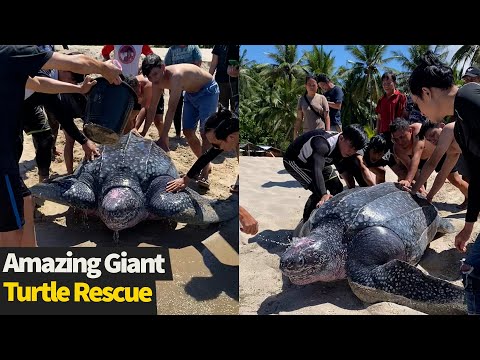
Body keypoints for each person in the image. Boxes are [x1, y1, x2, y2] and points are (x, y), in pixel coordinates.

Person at [0, 45, 122, 248]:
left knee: (26, 200)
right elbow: (74, 62)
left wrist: (78, 89)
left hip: (9, 159)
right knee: (11, 233)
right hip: (2, 163)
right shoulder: (11, 52)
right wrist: (103, 68)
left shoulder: (8, 60)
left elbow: (37, 83)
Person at [408, 51, 480, 314]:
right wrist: (469, 225)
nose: (419, 111)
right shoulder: (459, 120)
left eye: (417, 102)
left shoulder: (472, 100)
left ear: (427, 93)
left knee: (474, 276)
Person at [141, 54, 219, 188]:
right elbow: (152, 108)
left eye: (155, 74)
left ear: (163, 68)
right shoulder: (155, 82)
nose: (154, 79)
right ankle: (205, 162)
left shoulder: (175, 76)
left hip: (208, 91)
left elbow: (171, 109)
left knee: (205, 133)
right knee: (188, 132)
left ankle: (204, 174)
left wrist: (163, 137)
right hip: (190, 93)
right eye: (150, 77)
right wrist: (143, 132)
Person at [283, 124, 368, 222]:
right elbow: (316, 170)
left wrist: (354, 191)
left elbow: (345, 172)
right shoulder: (322, 144)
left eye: (356, 149)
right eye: (351, 146)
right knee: (318, 191)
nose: (352, 151)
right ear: (341, 138)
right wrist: (323, 194)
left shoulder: (344, 148)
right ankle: (306, 221)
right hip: (295, 161)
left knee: (337, 187)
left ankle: (331, 218)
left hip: (319, 160)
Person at [165, 105, 237, 192]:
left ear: (231, 137)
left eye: (216, 145)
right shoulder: (230, 130)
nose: (214, 148)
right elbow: (207, 156)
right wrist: (186, 179)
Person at [409, 120, 469, 208]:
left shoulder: (449, 129)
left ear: (441, 125)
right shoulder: (453, 149)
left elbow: (431, 163)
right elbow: (443, 174)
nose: (433, 140)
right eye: (429, 140)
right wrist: (429, 197)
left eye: (433, 135)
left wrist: (413, 191)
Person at [164, 45, 203, 139]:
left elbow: (198, 63)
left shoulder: (193, 48)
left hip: (190, 84)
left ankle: (190, 131)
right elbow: (167, 67)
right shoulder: (171, 49)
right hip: (175, 85)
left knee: (190, 108)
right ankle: (177, 133)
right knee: (176, 108)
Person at [390, 117, 435, 192]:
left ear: (410, 131)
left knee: (456, 180)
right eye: (396, 139)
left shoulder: (418, 130)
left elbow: (416, 156)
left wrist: (408, 180)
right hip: (418, 162)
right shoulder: (397, 148)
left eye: (402, 137)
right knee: (405, 177)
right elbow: (409, 165)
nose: (400, 142)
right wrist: (420, 188)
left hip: (435, 154)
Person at [375, 71, 408, 147]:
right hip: (383, 134)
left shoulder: (401, 97)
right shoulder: (381, 100)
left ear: (394, 83)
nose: (386, 86)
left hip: (397, 134)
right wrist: (377, 134)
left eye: (389, 83)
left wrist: (400, 133)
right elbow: (379, 118)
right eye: (384, 84)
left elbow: (403, 116)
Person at [294, 75, 330, 139]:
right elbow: (299, 119)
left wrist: (327, 133)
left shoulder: (322, 98)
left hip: (320, 133)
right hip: (306, 133)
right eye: (309, 85)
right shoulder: (301, 100)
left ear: (317, 86)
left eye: (313, 85)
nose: (311, 87)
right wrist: (295, 133)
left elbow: (327, 117)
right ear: (306, 86)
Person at [209, 45, 239, 115]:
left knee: (235, 108)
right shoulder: (218, 46)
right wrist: (208, 79)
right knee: (222, 108)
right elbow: (213, 63)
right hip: (220, 80)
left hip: (235, 81)